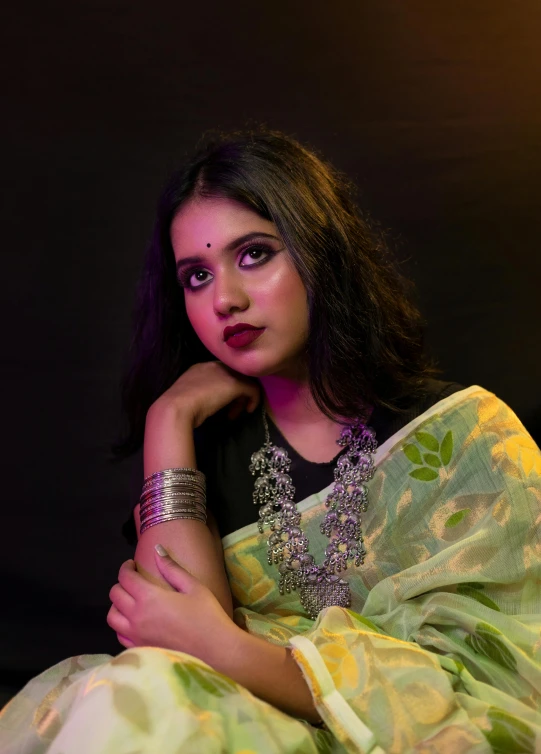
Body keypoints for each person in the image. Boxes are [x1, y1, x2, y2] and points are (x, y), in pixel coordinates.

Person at [2, 129, 540, 753]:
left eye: (254, 254)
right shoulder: (204, 450)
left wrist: (226, 645)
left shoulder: (466, 434)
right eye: (197, 276)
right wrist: (168, 419)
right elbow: (170, 659)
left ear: (321, 250)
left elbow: (497, 681)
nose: (225, 299)